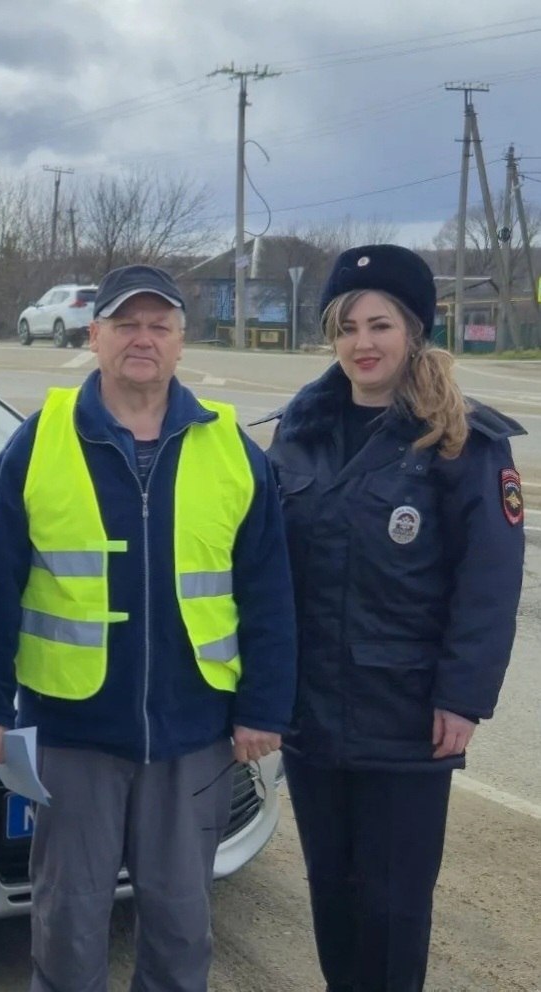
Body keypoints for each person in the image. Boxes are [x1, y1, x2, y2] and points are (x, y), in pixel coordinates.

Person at [0, 263, 298, 992]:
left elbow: (267, 592)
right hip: (72, 732)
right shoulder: (38, 441)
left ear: (180, 343)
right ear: (96, 334)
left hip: (194, 733)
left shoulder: (230, 448)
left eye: (159, 326)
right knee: (68, 923)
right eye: (126, 324)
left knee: (179, 924)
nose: (142, 339)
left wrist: (263, 708)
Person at [265, 244, 526, 992]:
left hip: (405, 716)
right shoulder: (298, 433)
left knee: (392, 910)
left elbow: (488, 580)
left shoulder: (461, 440)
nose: (361, 343)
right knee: (330, 897)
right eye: (345, 326)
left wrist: (462, 696)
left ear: (413, 331)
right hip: (310, 714)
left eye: (378, 324)